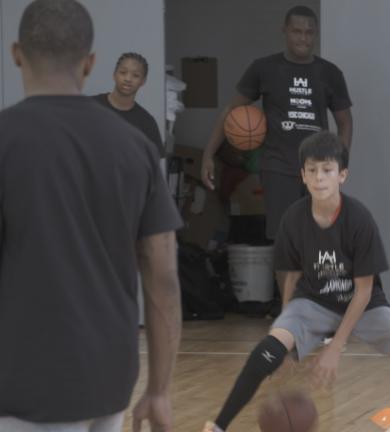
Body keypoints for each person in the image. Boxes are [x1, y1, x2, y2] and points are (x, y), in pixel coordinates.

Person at [202, 132, 390, 432]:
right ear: (302, 175)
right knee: (264, 354)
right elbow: (291, 276)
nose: (319, 178)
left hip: (364, 304)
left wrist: (335, 347)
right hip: (313, 300)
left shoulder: (359, 219)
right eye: (312, 170)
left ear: (342, 175)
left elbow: (363, 290)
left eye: (327, 170)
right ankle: (218, 426)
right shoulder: (293, 219)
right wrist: (284, 333)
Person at [0, 1, 183, 431]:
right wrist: (158, 390)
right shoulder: (133, 147)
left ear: (16, 54)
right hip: (109, 378)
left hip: (21, 384)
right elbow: (164, 278)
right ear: (90, 63)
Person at [200, 5, 352, 244]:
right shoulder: (264, 68)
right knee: (285, 240)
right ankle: (288, 284)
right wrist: (208, 154)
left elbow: (345, 122)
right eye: (296, 31)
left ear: (315, 34)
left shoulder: (330, 73)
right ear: (284, 31)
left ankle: (309, 283)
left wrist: (340, 162)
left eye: (309, 32)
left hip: (319, 169)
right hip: (278, 166)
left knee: (320, 239)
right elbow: (231, 111)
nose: (303, 38)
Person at [93, 52, 165, 157]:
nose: (128, 79)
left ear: (143, 81)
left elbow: (152, 166)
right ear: (114, 75)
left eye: (135, 75)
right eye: (123, 72)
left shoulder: (147, 122)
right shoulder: (89, 106)